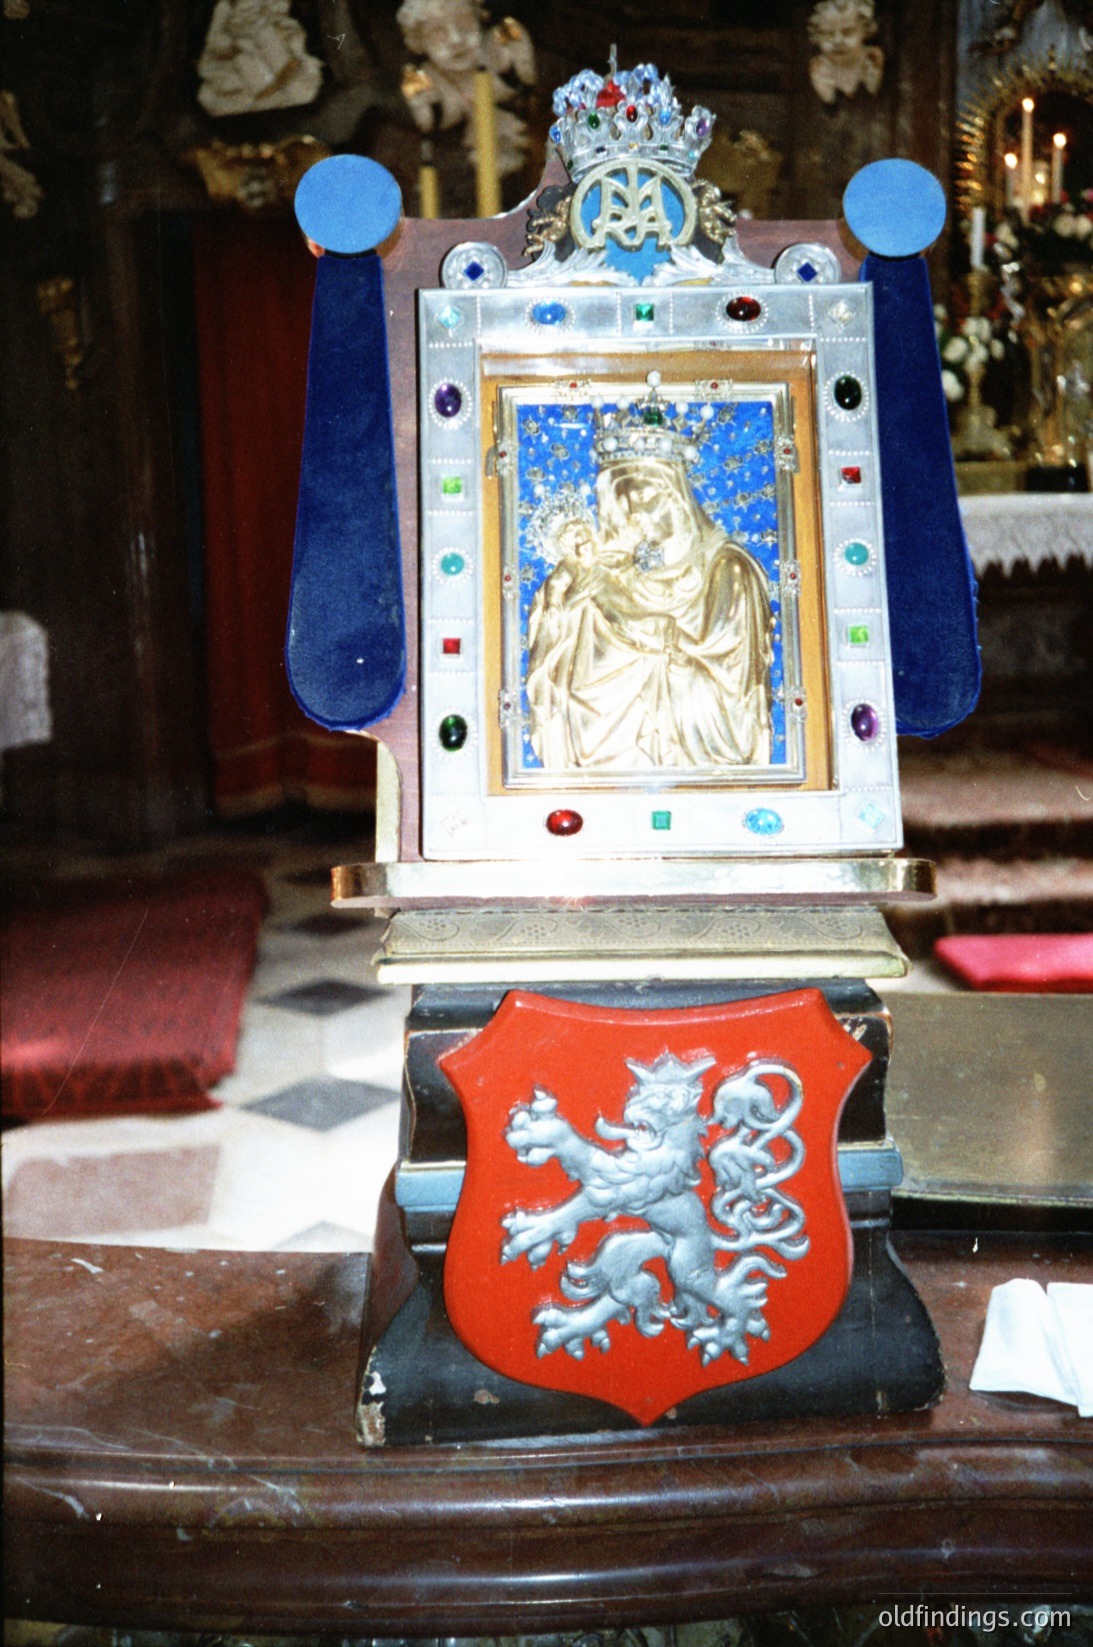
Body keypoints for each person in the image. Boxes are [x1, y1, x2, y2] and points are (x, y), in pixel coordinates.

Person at [525, 399, 773, 773]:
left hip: (705, 745)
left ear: (674, 493)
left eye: (643, 496)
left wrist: (661, 645)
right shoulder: (610, 571)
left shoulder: (728, 571)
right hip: (602, 750)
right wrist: (561, 600)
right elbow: (563, 639)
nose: (632, 514)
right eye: (622, 502)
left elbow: (732, 688)